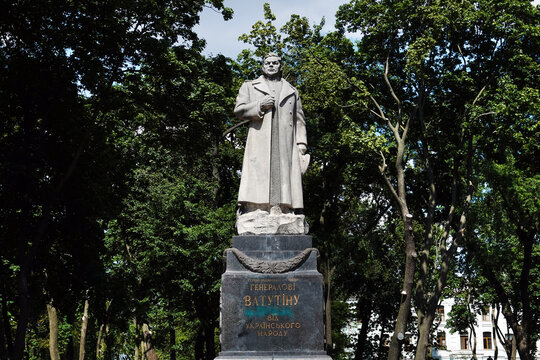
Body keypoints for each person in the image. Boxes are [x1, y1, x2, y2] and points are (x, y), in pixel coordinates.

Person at [234, 53, 308, 215]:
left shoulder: (292, 91)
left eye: (275, 63)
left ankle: (283, 208)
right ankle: (257, 207)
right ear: (263, 66)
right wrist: (260, 105)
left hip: (285, 140)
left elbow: (299, 119)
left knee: (285, 174)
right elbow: (239, 111)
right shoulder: (250, 86)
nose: (271, 65)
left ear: (280, 66)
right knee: (258, 171)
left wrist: (301, 144)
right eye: (268, 63)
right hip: (261, 138)